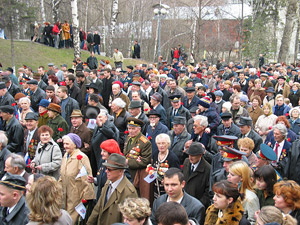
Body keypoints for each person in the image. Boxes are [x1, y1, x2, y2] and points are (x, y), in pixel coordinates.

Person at [87, 154, 138, 225]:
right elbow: (98, 208)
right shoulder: (108, 183)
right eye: (106, 168)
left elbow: (128, 220)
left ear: (120, 171)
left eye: (109, 169)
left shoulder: (129, 192)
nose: (106, 171)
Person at [59, 133, 95, 223]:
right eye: (64, 144)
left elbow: (87, 178)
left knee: (72, 219)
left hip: (76, 194)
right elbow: (62, 175)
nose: (65, 146)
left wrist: (86, 197)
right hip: (65, 192)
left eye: (67, 144)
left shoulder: (81, 157)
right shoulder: (65, 155)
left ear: (75, 145)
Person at [124, 117, 152, 200]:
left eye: (133, 129)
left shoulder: (145, 142)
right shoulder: (128, 138)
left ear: (139, 129)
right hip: (126, 172)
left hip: (136, 174)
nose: (131, 131)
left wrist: (128, 162)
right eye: (129, 128)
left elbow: (145, 161)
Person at [182, 142, 211, 209]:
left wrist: (198, 205)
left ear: (200, 155)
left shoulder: (208, 169)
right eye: (189, 155)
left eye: (193, 155)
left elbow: (207, 192)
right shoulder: (186, 162)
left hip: (197, 205)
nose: (190, 158)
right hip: (184, 202)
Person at [152, 133, 180, 198]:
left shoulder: (173, 158)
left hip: (168, 190)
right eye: (159, 143)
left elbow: (177, 174)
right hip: (155, 188)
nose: (161, 145)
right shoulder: (155, 154)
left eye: (163, 143)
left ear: (168, 144)